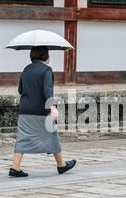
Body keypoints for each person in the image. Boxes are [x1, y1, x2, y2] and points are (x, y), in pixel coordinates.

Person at [9, 46, 76, 178]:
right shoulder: (47, 70)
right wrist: (52, 107)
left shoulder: (26, 69)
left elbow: (20, 90)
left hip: (25, 109)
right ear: (46, 57)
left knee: (23, 137)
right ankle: (61, 165)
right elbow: (47, 91)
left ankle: (15, 167)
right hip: (41, 110)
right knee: (52, 136)